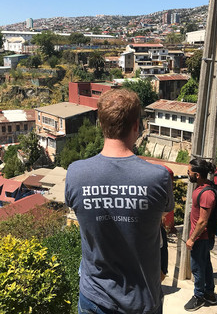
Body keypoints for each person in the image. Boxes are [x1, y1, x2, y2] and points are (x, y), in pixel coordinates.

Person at [65, 89, 174, 314]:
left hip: (95, 298)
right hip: (143, 301)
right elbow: (163, 218)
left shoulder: (76, 173)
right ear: (137, 125)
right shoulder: (158, 177)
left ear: (100, 125)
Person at [184, 159, 217, 312]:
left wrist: (192, 239)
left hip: (201, 237)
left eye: (189, 172)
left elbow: (203, 221)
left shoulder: (206, 194)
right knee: (206, 265)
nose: (187, 174)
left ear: (197, 175)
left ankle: (199, 296)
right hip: (203, 237)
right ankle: (209, 293)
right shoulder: (205, 187)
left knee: (197, 268)